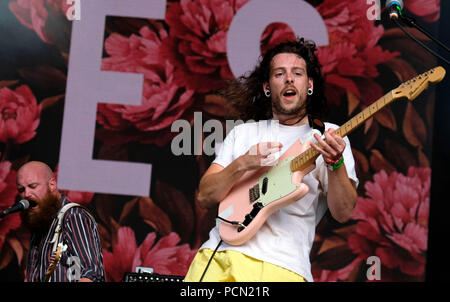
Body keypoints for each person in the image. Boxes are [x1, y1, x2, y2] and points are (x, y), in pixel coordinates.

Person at [184, 38, 359, 282]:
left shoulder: (329, 136)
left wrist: (336, 164)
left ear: (309, 85)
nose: (289, 79)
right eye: (280, 73)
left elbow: (343, 212)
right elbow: (205, 196)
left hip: (283, 267)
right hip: (218, 258)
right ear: (268, 87)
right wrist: (242, 164)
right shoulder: (243, 133)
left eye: (297, 73)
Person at [16, 161, 105, 282]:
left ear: (52, 185)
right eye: (21, 190)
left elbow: (91, 275)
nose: (26, 194)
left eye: (33, 186)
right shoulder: (41, 222)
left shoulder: (74, 216)